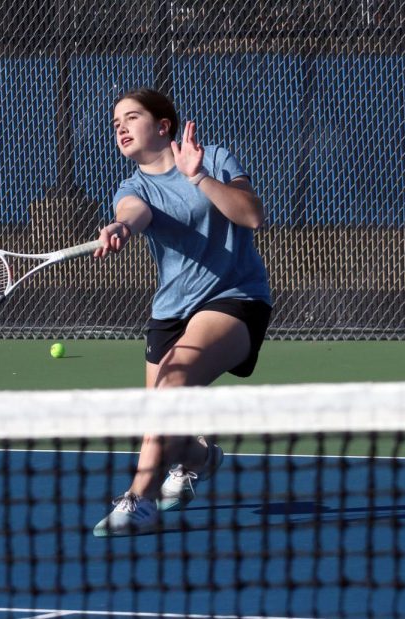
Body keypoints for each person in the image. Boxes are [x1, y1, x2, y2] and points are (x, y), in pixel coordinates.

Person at [91, 88, 273, 537]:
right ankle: (201, 458)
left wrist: (200, 179)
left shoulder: (212, 157)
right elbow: (133, 213)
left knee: (171, 382)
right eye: (116, 123)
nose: (121, 127)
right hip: (170, 313)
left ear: (163, 126)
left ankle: (138, 498)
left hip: (234, 297)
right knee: (162, 425)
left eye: (131, 118)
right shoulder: (133, 187)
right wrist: (120, 226)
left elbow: (252, 216)